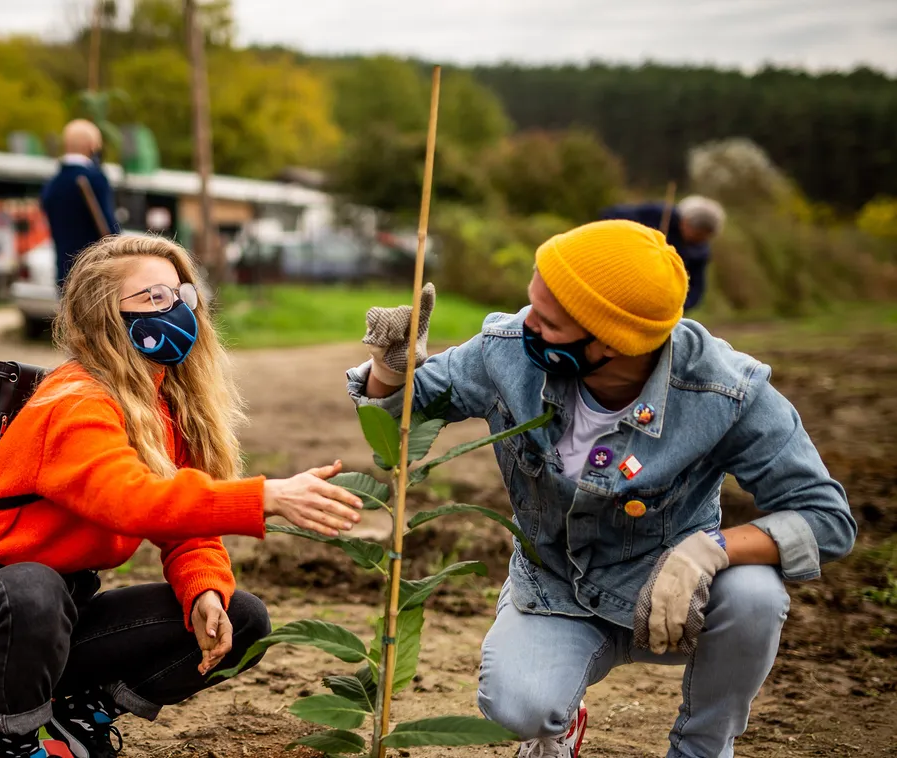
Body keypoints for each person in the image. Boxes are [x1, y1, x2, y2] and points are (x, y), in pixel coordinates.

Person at [350, 220, 855, 758]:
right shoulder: (506, 351)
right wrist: (390, 368)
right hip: (556, 588)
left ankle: (703, 748)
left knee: (755, 593)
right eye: (532, 305)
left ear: (613, 340)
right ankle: (558, 721)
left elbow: (826, 518)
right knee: (518, 709)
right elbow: (401, 422)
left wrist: (710, 551)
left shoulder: (725, 390)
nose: (527, 325)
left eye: (548, 321)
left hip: (676, 595)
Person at [0, 234, 365, 758]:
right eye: (155, 297)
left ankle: (80, 715)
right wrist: (262, 496)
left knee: (242, 615)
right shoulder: (74, 401)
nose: (177, 309)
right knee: (32, 587)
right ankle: (23, 743)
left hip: (66, 617)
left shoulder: (159, 406)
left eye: (181, 294)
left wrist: (202, 589)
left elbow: (183, 524)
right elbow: (132, 500)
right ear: (105, 316)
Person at [598, 196, 725, 312]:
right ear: (685, 221)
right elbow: (610, 216)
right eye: (698, 233)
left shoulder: (699, 251)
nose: (700, 239)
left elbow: (695, 289)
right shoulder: (660, 215)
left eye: (706, 236)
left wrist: (673, 307)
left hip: (659, 304)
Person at [41, 119, 121, 290]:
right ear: (92, 146)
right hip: (95, 272)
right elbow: (110, 229)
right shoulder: (95, 179)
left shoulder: (53, 184)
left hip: (64, 272)